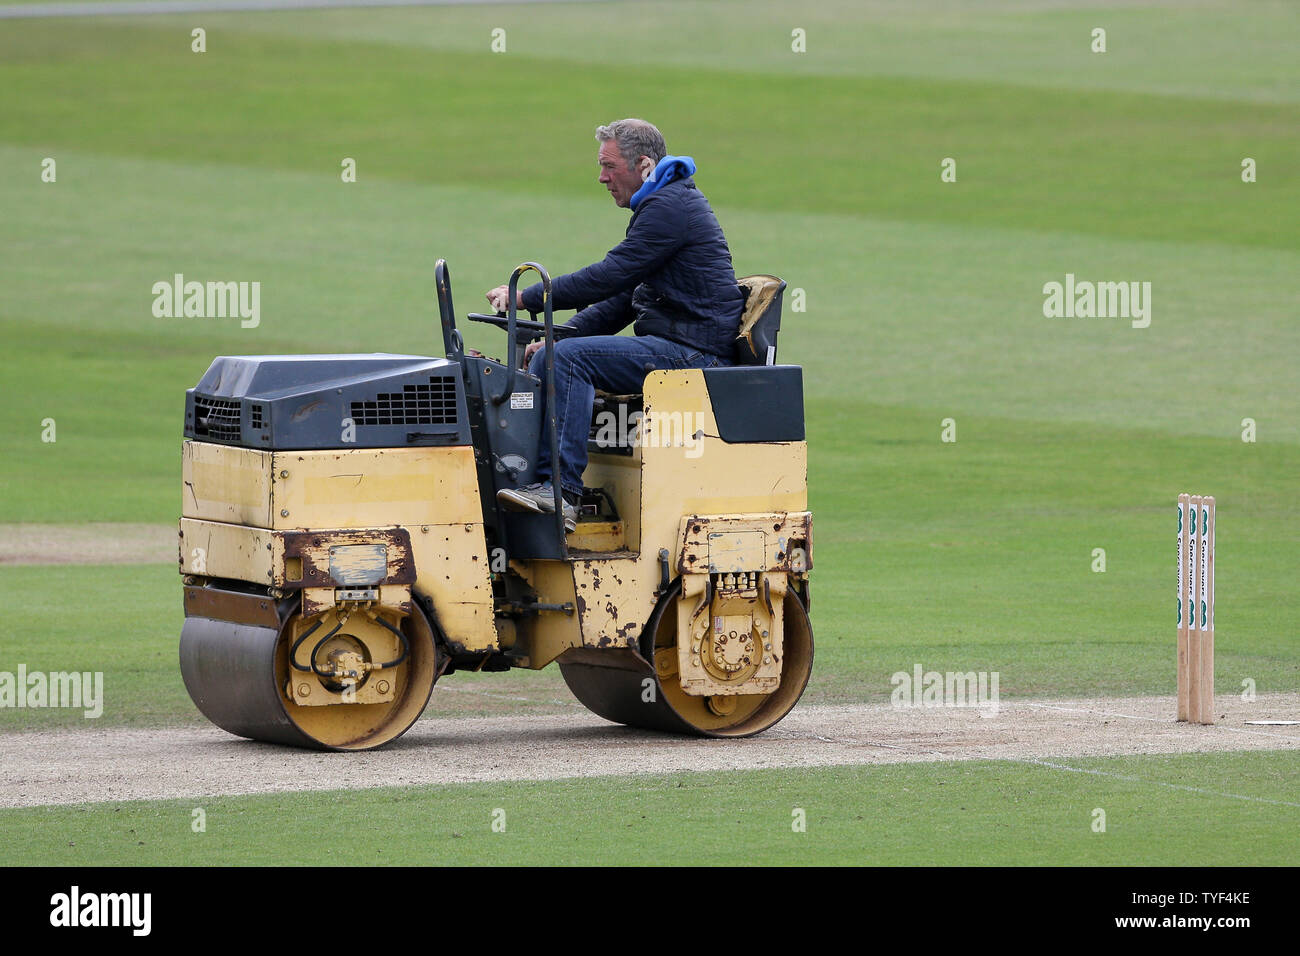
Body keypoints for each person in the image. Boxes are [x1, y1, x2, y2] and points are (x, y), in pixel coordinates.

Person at [485, 118, 745, 532]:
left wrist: (527, 298)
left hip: (694, 353)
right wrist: (559, 335)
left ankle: (560, 493)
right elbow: (625, 298)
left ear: (643, 164)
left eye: (609, 166)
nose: (601, 177)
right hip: (681, 344)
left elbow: (610, 276)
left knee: (568, 362)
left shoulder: (668, 208)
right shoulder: (663, 202)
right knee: (560, 354)